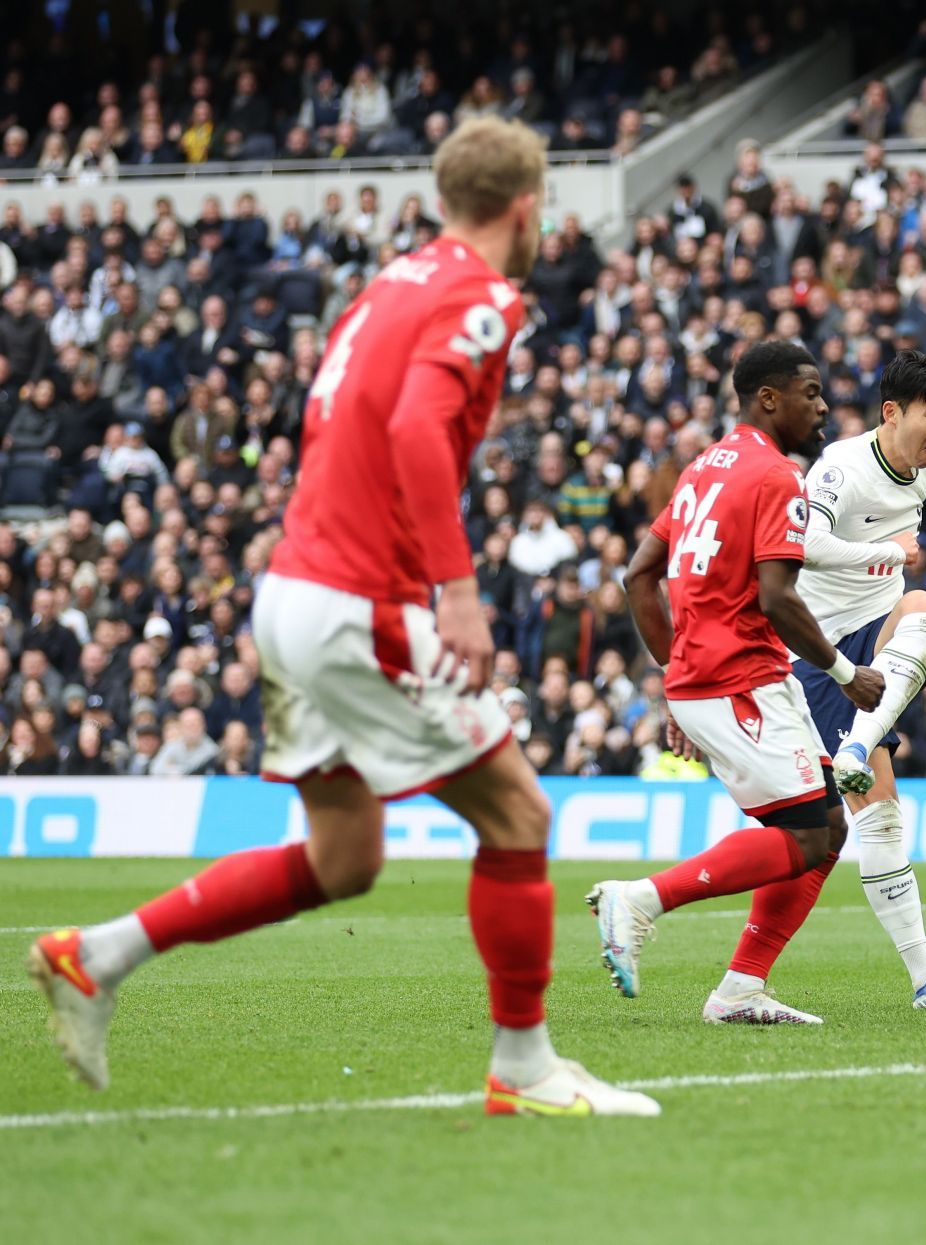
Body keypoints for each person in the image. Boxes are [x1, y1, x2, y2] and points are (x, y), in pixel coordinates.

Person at [25, 117, 659, 1118]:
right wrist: (453, 588)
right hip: (358, 600)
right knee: (520, 815)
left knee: (344, 857)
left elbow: (339, 423)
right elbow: (411, 424)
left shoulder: (388, 287)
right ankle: (525, 1068)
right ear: (528, 207)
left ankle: (93, 956)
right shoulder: (482, 296)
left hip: (296, 591)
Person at [587, 341, 885, 1026]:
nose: (822, 406)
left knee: (827, 827)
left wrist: (675, 675)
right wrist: (845, 672)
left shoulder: (700, 470)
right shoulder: (775, 475)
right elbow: (777, 597)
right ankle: (639, 899)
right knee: (810, 836)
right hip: (742, 677)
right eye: (809, 392)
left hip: (710, 677)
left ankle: (742, 987)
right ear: (768, 398)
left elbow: (638, 575)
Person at [786, 349, 926, 1010]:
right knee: (872, 823)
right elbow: (803, 546)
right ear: (892, 411)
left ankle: (854, 748)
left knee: (924, 607)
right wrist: (887, 551)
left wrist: (892, 563)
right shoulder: (841, 467)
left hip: (877, 629)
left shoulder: (918, 476)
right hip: (825, 650)